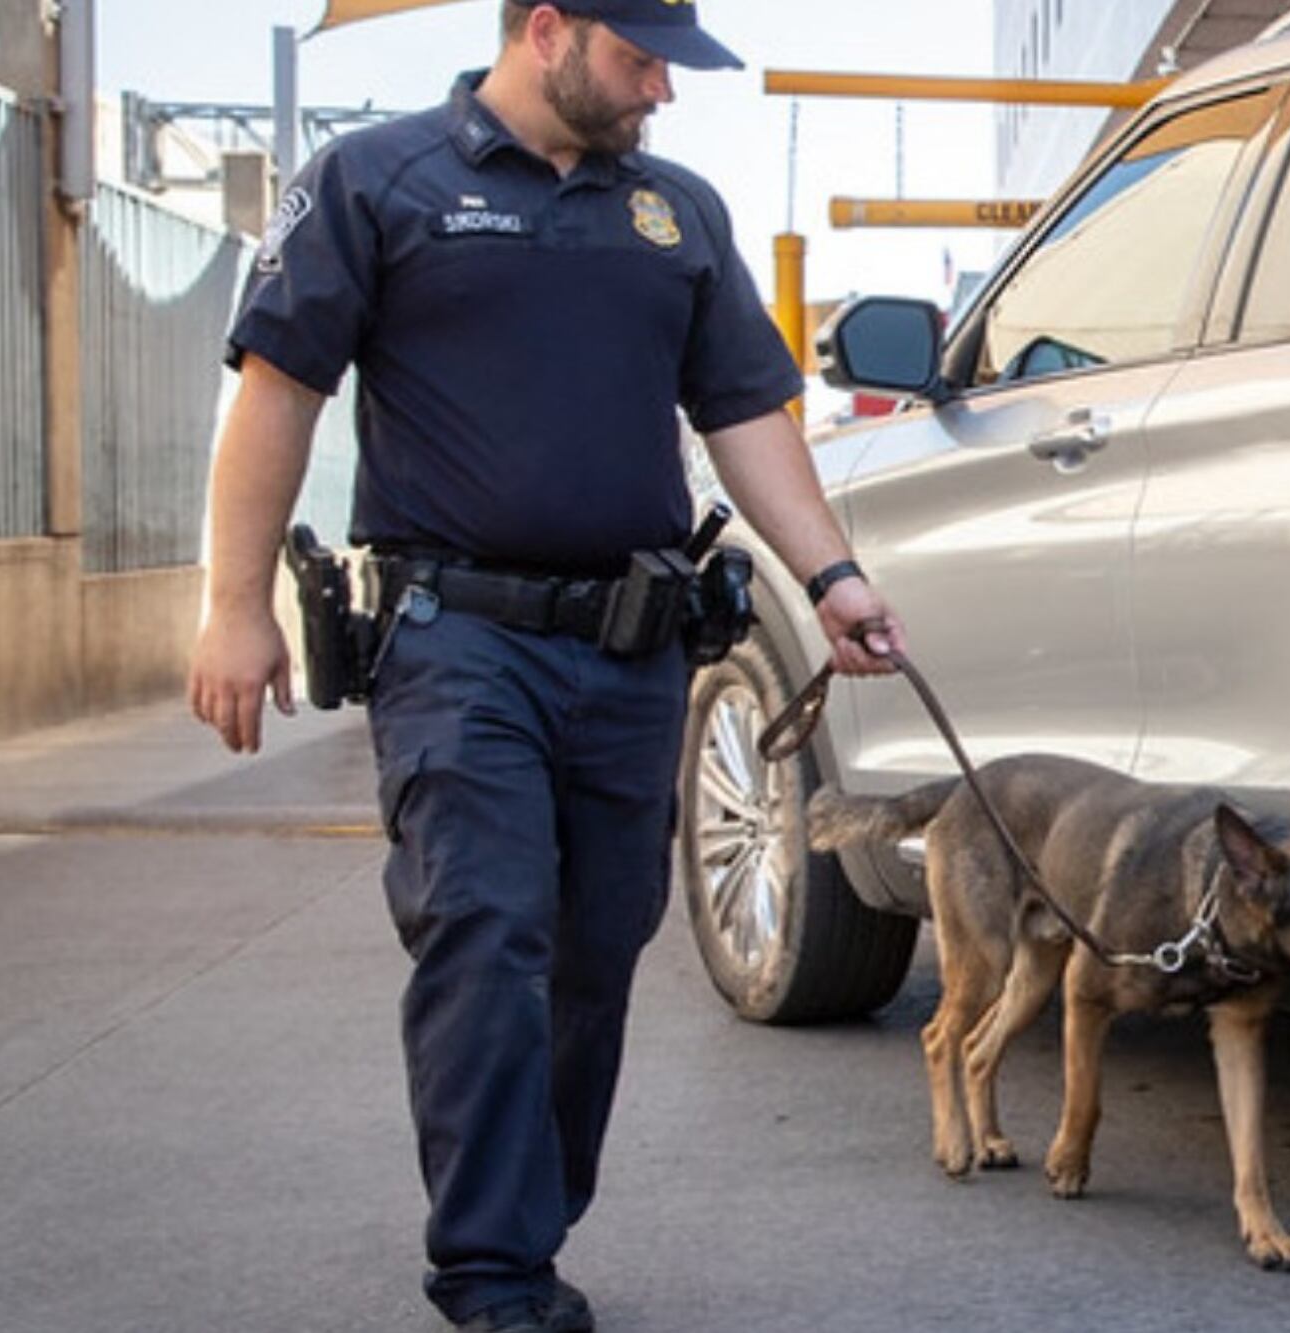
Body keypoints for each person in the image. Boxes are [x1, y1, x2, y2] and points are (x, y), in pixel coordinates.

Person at [186, 3, 906, 1329]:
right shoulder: (379, 180)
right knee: (488, 926)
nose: (662, 96)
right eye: (641, 64)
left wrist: (835, 575)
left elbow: (745, 412)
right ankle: (495, 1274)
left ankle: (528, 1215)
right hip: (455, 641)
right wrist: (236, 606)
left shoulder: (675, 215)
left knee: (599, 945)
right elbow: (277, 388)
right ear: (550, 31)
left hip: (631, 653)